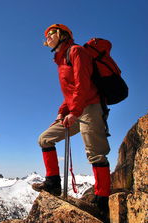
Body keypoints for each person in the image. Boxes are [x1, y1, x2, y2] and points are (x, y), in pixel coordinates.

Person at [32, 24, 111, 214]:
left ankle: (101, 203)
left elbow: (83, 84)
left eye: (51, 33)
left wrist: (74, 112)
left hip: (90, 106)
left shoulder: (76, 51)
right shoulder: (60, 61)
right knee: (45, 139)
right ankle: (53, 184)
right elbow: (70, 91)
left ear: (62, 35)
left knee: (95, 152)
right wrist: (62, 111)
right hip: (75, 108)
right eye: (46, 36)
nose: (47, 37)